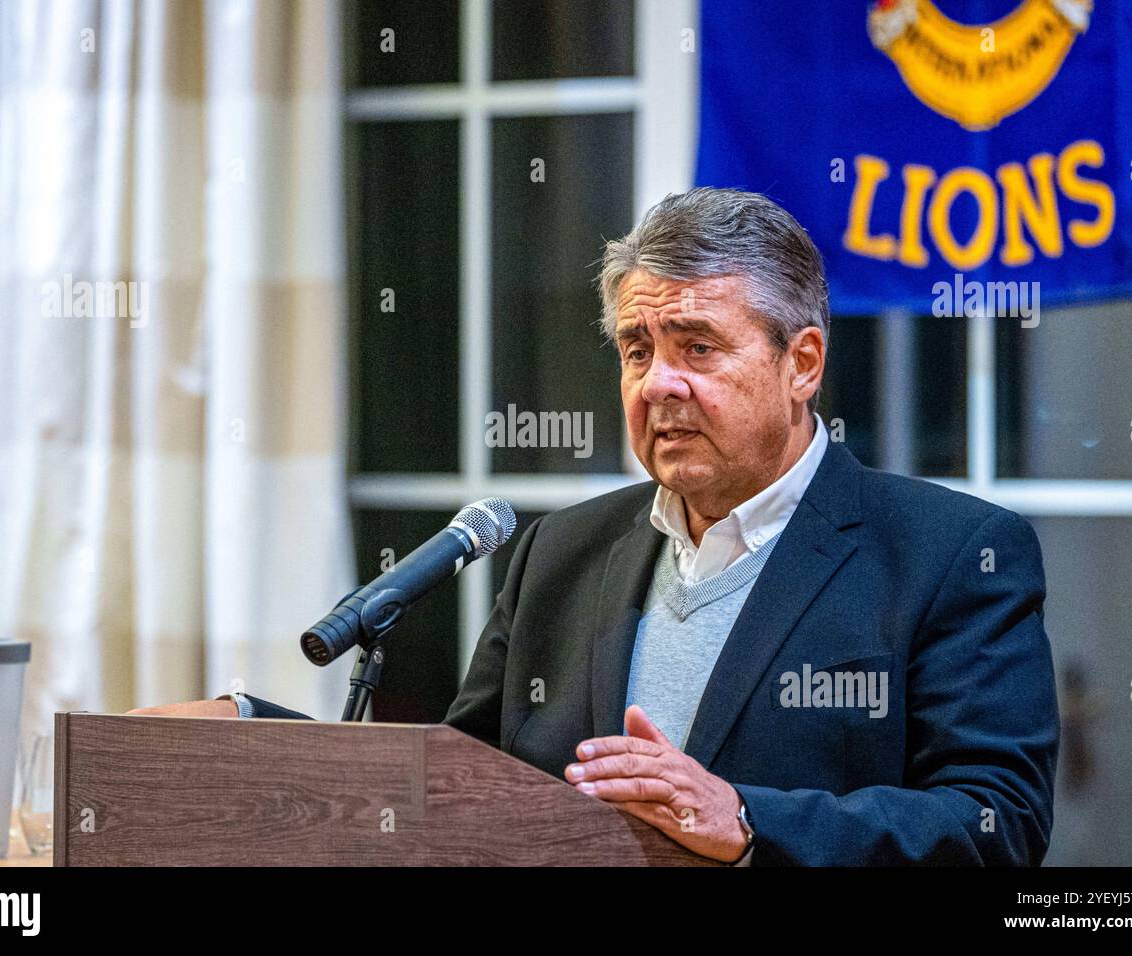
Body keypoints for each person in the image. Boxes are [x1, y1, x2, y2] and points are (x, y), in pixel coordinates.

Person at [131, 187, 1059, 866]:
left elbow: (996, 825)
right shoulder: (562, 551)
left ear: (802, 362)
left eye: (698, 345)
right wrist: (255, 736)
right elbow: (461, 793)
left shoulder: (947, 556)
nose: (659, 382)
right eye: (636, 349)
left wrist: (744, 820)